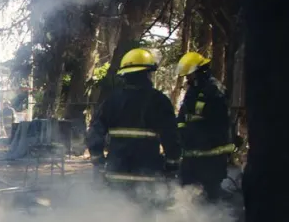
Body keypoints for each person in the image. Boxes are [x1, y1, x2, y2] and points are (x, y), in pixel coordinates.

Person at [87, 48, 181, 192]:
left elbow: (95, 133)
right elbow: (171, 137)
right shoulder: (160, 101)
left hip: (116, 176)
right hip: (148, 180)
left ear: (125, 75)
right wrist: (171, 164)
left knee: (115, 206)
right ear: (148, 73)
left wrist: (98, 160)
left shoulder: (112, 101)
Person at [175, 51, 234, 202]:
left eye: (190, 75)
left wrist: (201, 136)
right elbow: (183, 116)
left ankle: (215, 216)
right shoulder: (192, 91)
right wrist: (181, 132)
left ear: (199, 71)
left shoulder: (215, 90)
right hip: (191, 155)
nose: (188, 79)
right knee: (186, 194)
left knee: (211, 197)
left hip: (211, 157)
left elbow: (221, 123)